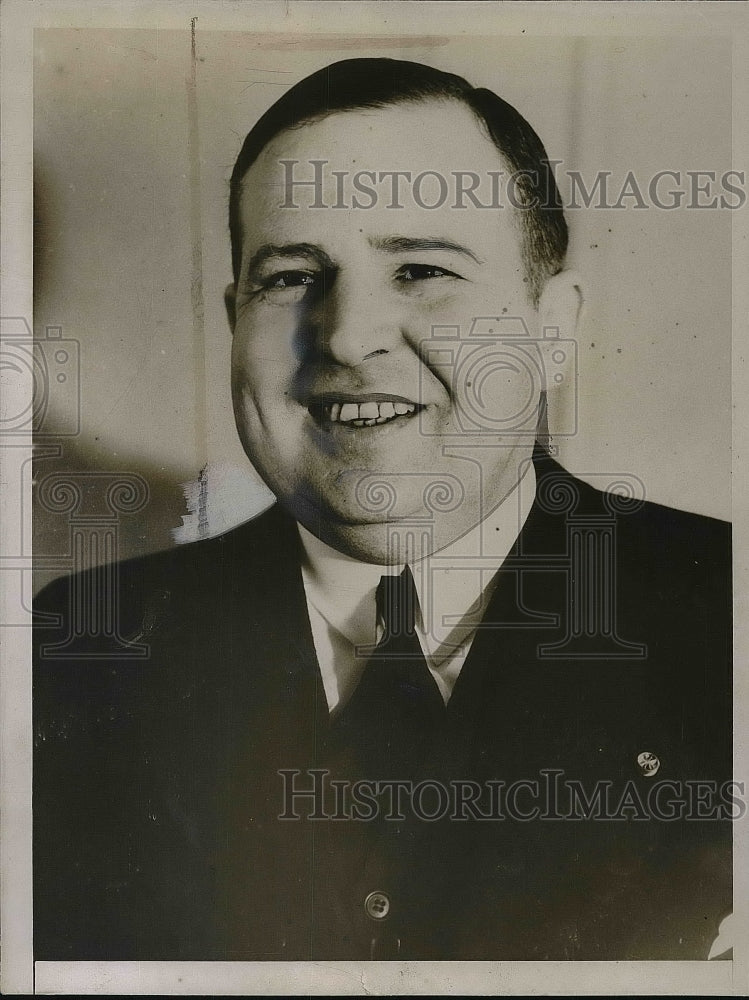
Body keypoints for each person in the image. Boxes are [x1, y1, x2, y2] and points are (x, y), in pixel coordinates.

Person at [33, 57, 732, 962]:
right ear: (234, 319)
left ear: (551, 328)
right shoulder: (76, 654)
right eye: (291, 278)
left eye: (421, 269)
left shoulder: (723, 616)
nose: (349, 336)